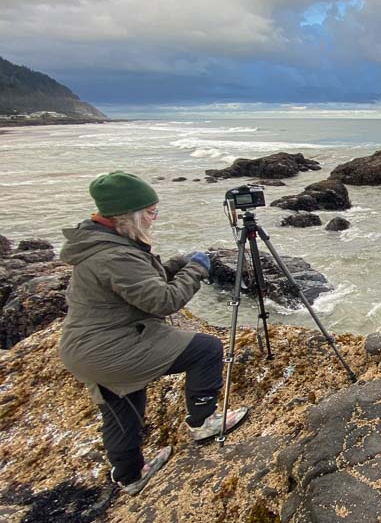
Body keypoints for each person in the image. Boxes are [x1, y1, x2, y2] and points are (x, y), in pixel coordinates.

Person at [59, 171, 248, 495]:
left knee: (123, 406)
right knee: (206, 350)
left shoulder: (100, 242)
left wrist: (172, 266)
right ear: (128, 215)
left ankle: (130, 476)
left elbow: (133, 286)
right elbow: (163, 301)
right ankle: (204, 422)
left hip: (84, 351)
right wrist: (196, 269)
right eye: (149, 212)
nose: (153, 217)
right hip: (110, 346)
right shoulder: (115, 254)